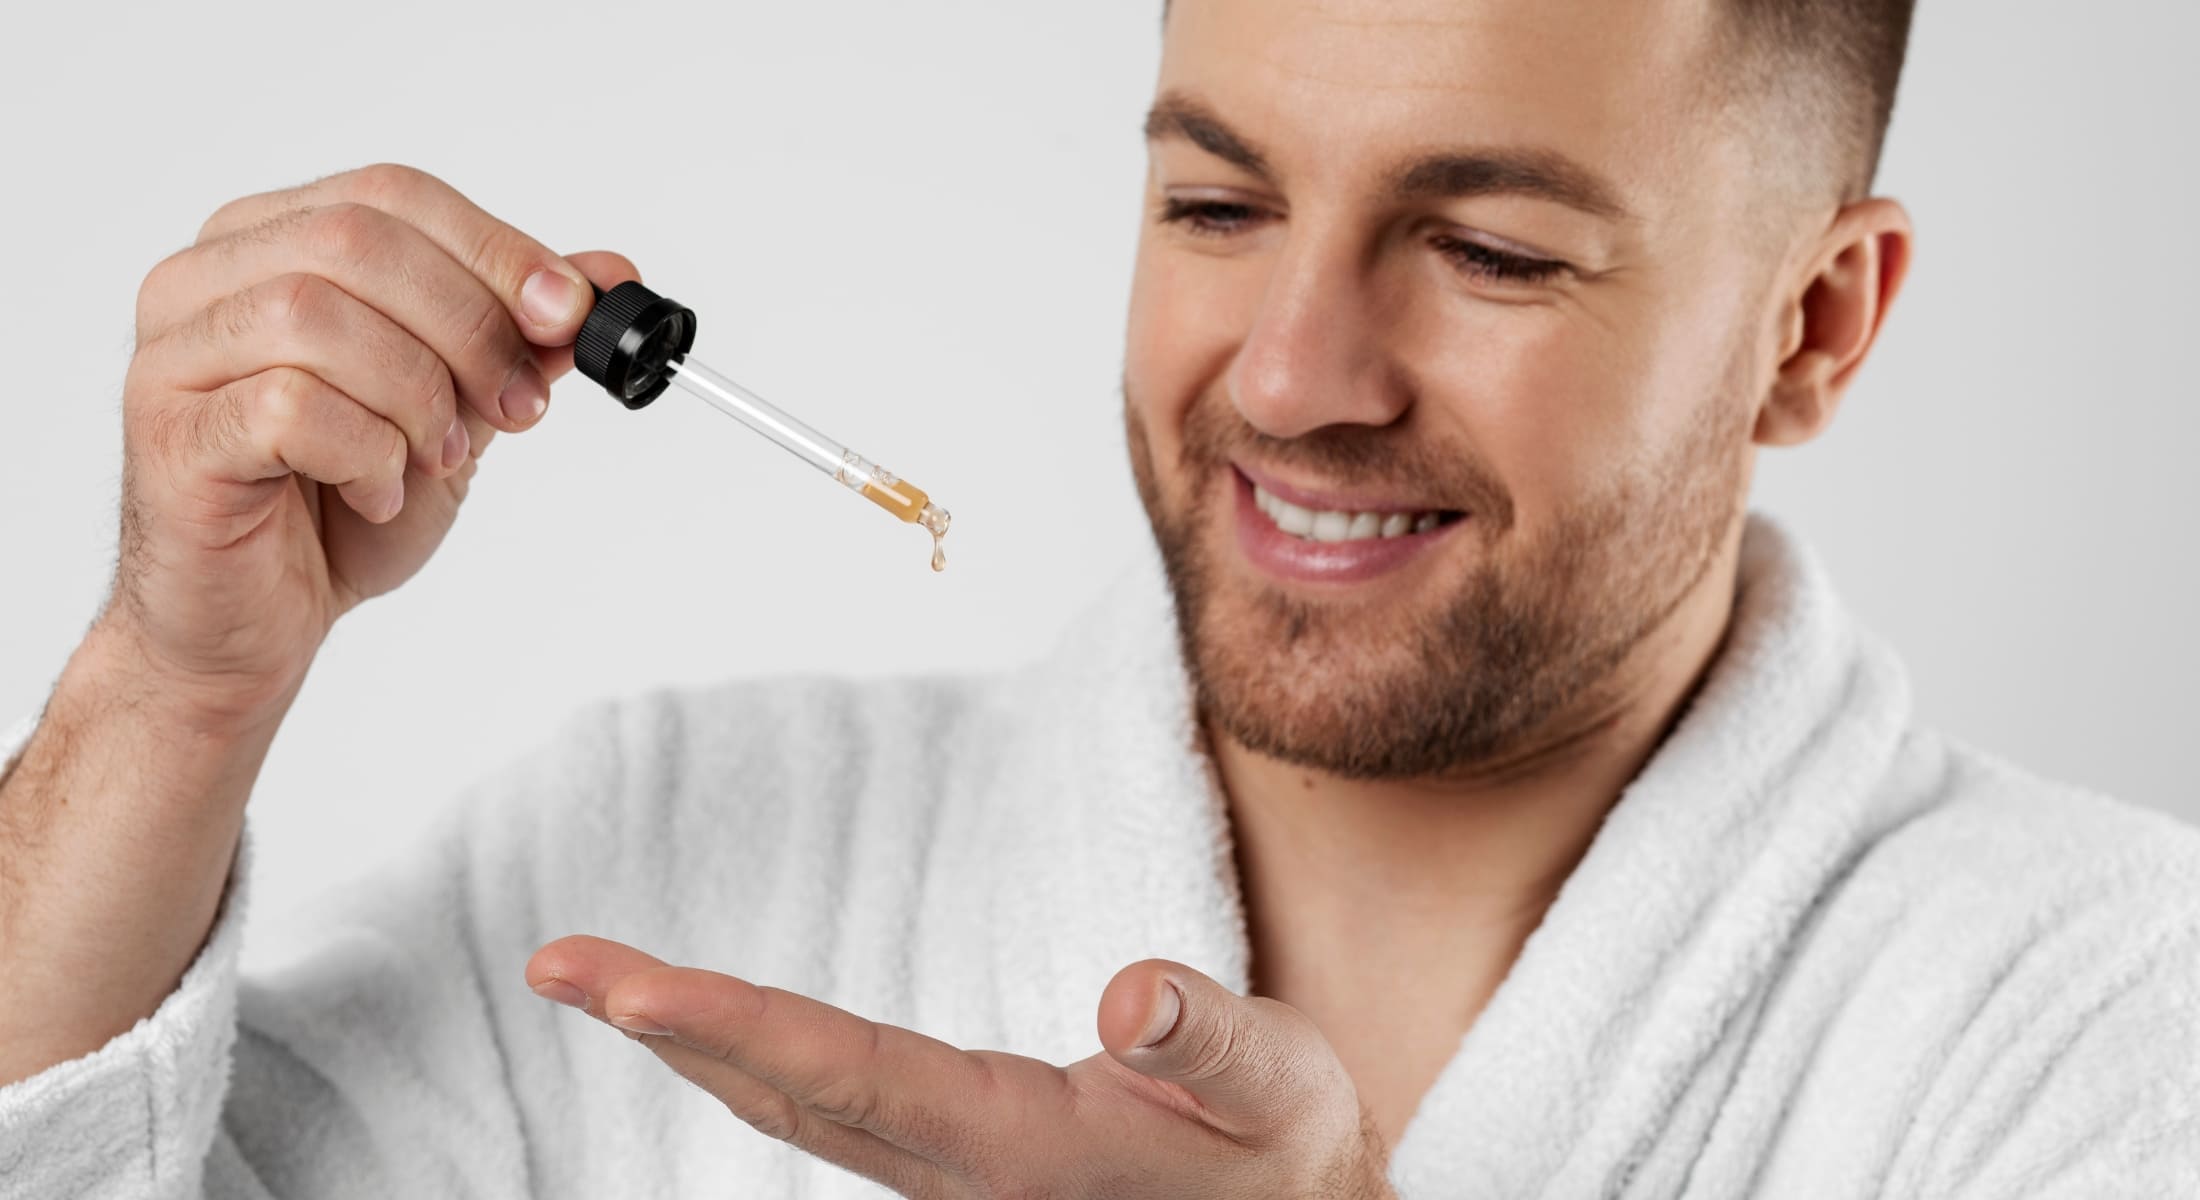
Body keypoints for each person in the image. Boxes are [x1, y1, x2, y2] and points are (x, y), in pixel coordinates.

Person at [3, 0, 2195, 1195]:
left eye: (1493, 251)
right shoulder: (668, 855)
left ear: (1810, 326)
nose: (1292, 381)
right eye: (1218, 203)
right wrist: (168, 694)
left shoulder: (2101, 1026)